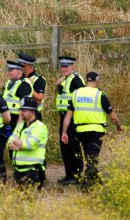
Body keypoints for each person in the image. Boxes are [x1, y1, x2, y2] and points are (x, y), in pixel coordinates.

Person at [61, 71, 122, 189]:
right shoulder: (99, 94)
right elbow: (112, 116)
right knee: (92, 158)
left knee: (89, 156)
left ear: (87, 81)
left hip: (81, 130)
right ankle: (87, 185)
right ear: (97, 81)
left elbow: (68, 115)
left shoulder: (76, 93)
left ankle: (95, 179)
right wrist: (119, 126)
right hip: (96, 131)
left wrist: (64, 132)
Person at [55, 55, 84, 185]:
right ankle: (69, 175)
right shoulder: (64, 80)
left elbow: (81, 98)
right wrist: (57, 85)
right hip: (63, 116)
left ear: (71, 67)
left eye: (66, 66)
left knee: (73, 147)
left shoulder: (76, 80)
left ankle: (76, 176)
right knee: (65, 147)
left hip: (72, 118)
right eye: (62, 66)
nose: (63, 68)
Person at [7, 96, 48, 189]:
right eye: (21, 110)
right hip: (18, 171)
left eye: (24, 110)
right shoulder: (20, 126)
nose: (21, 113)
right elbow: (9, 143)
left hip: (32, 172)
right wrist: (19, 144)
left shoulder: (40, 127)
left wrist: (18, 143)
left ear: (32, 112)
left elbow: (29, 145)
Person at [2, 60, 32, 127]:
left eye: (11, 70)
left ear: (19, 72)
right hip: (8, 119)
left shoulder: (23, 85)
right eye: (8, 70)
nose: (8, 72)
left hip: (17, 119)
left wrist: (19, 126)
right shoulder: (10, 82)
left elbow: (24, 108)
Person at [19, 53, 46, 121]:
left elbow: (39, 99)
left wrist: (28, 86)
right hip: (21, 114)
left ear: (26, 66)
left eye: (20, 65)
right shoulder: (20, 78)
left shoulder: (38, 79)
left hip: (33, 114)